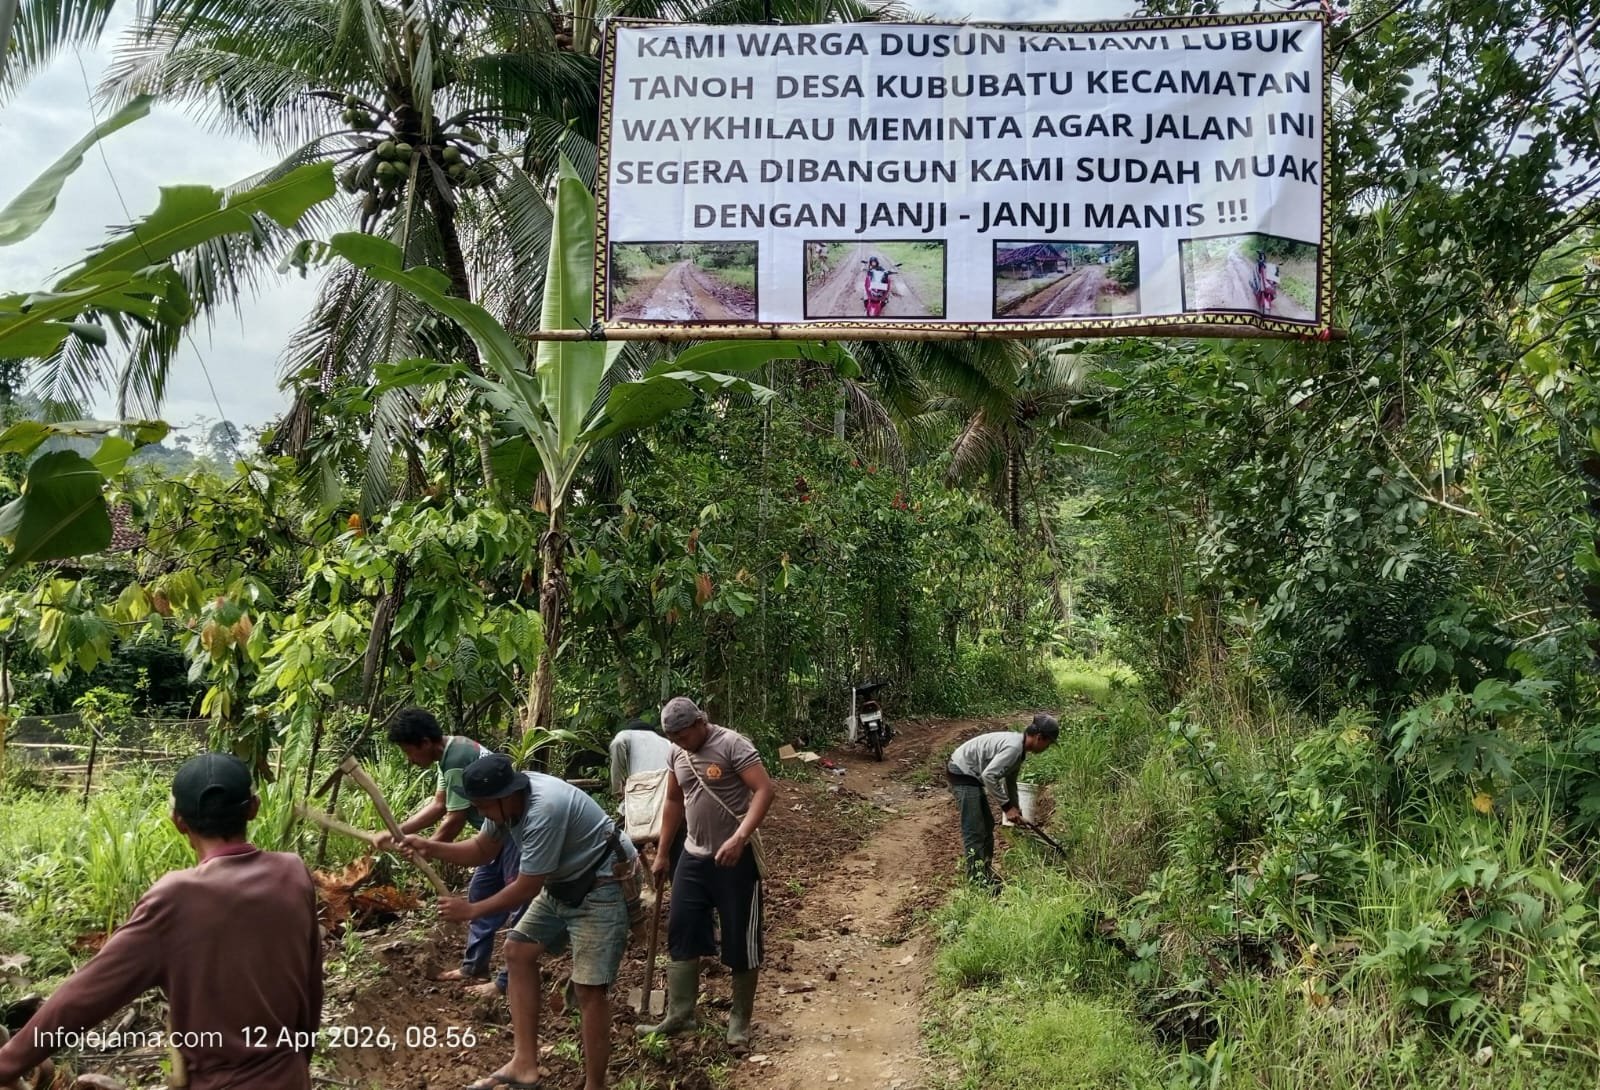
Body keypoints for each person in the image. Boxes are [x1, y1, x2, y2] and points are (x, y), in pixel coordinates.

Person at [0, 753, 322, 1090]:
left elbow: (82, 998)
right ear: (254, 808)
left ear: (177, 821)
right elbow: (312, 991)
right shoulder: (292, 872)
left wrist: (8, 1063)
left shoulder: (175, 898)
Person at [396, 754, 639, 1090]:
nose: (480, 814)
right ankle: (524, 1064)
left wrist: (471, 909)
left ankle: (595, 1085)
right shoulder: (503, 803)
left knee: (589, 988)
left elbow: (527, 886)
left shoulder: (544, 810)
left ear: (504, 796)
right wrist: (430, 846)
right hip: (563, 881)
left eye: (481, 807)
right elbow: (482, 849)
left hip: (602, 881)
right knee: (517, 951)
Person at [637, 697, 775, 1049]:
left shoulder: (732, 744)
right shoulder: (676, 753)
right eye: (673, 738)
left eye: (683, 735)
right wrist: (664, 852)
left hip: (735, 859)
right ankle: (681, 1016)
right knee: (681, 931)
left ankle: (740, 1022)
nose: (679, 743)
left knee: (740, 939)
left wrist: (740, 837)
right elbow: (672, 800)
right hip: (693, 857)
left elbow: (764, 790)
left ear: (701, 722)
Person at [389, 708, 524, 992]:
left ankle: (509, 980)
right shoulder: (451, 751)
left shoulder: (456, 758)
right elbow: (439, 805)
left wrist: (427, 848)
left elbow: (454, 818)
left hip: (512, 829)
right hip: (494, 829)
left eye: (408, 751)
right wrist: (398, 833)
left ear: (425, 742)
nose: (409, 760)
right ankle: (474, 967)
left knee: (517, 899)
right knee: (481, 891)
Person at [945, 714, 1060, 889]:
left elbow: (1010, 782)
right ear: (1039, 738)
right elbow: (989, 776)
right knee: (975, 829)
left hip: (971, 774)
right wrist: (1007, 807)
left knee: (987, 824)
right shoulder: (1014, 748)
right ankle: (977, 881)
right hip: (962, 772)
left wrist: (1016, 810)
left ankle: (985, 873)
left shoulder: (1019, 750)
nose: (1047, 747)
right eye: (1048, 743)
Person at [609, 716, 685, 870]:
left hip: (640, 799)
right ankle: (667, 888)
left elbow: (617, 744)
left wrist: (617, 789)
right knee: (671, 848)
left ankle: (627, 884)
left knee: (619, 846)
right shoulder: (666, 742)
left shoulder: (625, 735)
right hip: (666, 799)